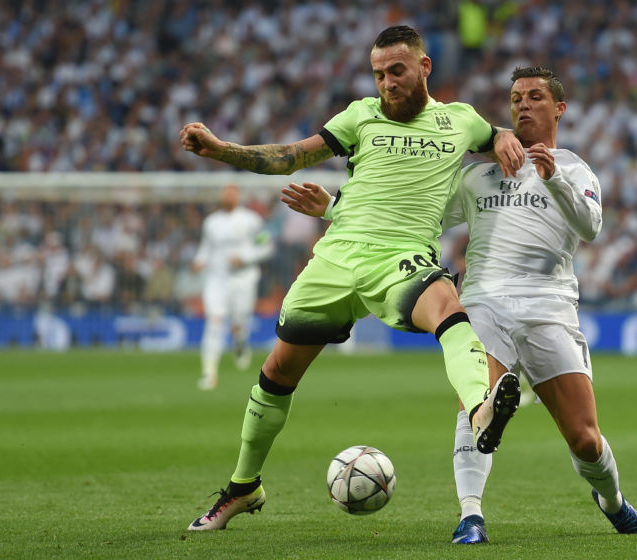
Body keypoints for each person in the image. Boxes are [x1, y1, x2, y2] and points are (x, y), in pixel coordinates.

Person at [179, 25, 525, 531]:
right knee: (277, 372)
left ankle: (481, 409)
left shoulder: (460, 121)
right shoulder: (359, 116)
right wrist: (221, 149)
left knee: (448, 308)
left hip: (402, 257)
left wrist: (506, 137)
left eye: (397, 71)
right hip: (336, 257)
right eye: (379, 73)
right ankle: (243, 486)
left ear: (425, 68)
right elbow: (292, 156)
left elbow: (496, 137)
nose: (387, 82)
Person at [282, 66, 637, 541]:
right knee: (479, 406)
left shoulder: (575, 169)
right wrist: (334, 207)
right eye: (516, 97)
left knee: (584, 438)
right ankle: (470, 515)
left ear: (559, 108)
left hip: (549, 307)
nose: (522, 105)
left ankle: (613, 500)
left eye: (535, 97)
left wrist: (552, 177)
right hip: (484, 303)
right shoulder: (478, 175)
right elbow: (415, 212)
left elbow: (591, 226)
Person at [192, 184, 274, 390]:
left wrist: (245, 258)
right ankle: (209, 373)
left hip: (243, 280)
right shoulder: (211, 222)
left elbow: (266, 245)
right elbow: (206, 247)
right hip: (216, 280)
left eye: (232, 192)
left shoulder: (251, 221)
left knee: (238, 322)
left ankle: (240, 342)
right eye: (225, 192)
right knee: (215, 322)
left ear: (238, 196)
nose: (228, 196)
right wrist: (199, 260)